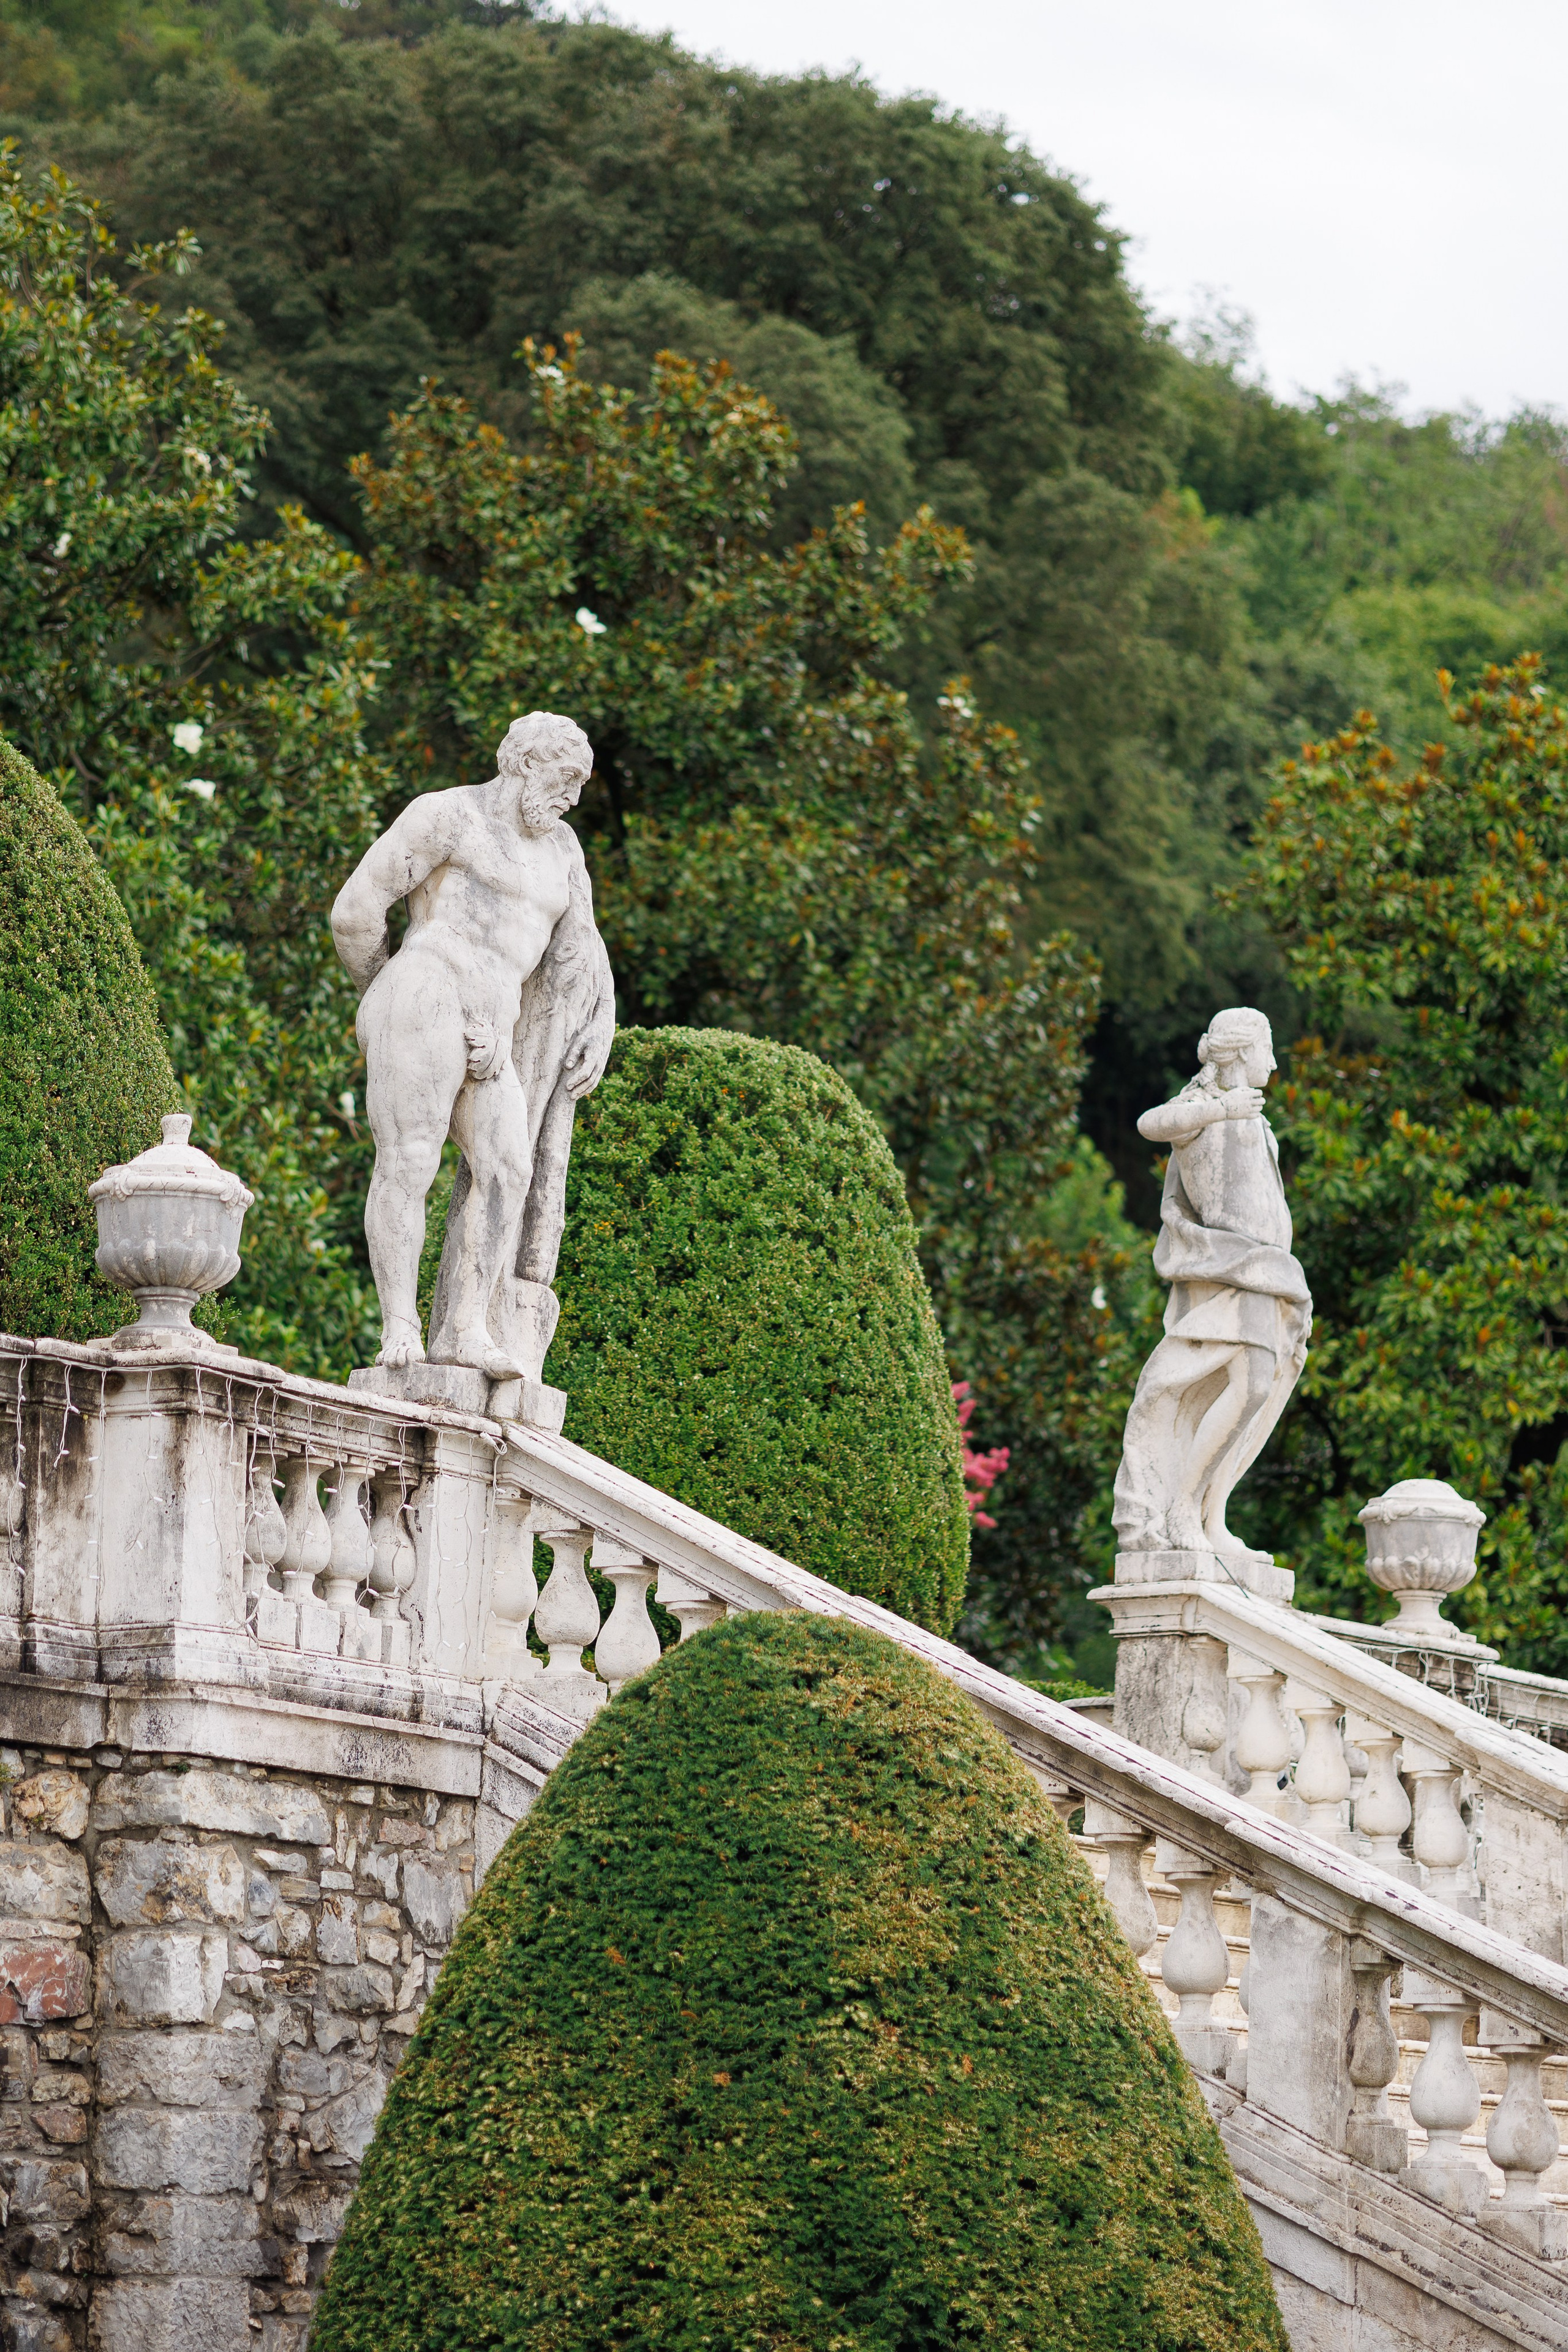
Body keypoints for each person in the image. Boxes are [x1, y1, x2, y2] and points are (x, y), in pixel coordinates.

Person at [331, 711, 615, 1381]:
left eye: (581, 783)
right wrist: (388, 994)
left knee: (509, 1169)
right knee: (410, 1161)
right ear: (522, 762)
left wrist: (599, 1020)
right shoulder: (448, 816)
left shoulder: (563, 851)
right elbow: (354, 911)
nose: (573, 796)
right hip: (427, 992)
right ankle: (400, 1325)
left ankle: (465, 1327)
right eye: (566, 777)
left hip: (496, 1029)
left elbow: (583, 951)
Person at [1111, 1006, 1311, 1564]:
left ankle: (1210, 1512)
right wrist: (1222, 1109)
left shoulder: (1252, 1113)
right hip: (1232, 1268)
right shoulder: (1204, 1104)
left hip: (1264, 1272)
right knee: (1251, 1384)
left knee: (1261, 1387)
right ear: (1242, 1052)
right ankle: (1183, 1508)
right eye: (1267, 1048)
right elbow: (1150, 1124)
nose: (1274, 1061)